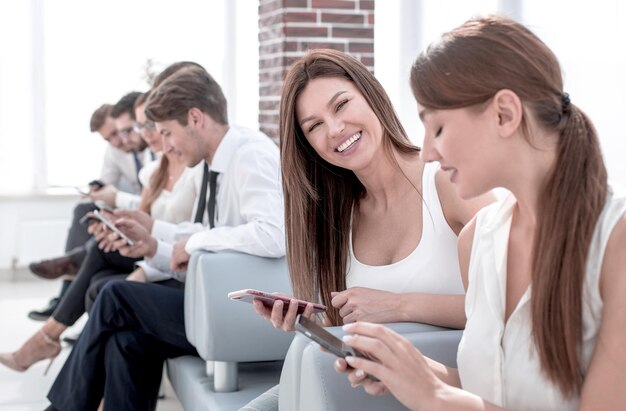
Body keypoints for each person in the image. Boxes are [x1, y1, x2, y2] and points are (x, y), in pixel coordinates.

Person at [335, 15, 626, 410]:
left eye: (437, 128)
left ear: (504, 114)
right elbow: (491, 390)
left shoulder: (615, 242)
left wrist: (436, 398)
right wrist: (411, 370)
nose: (427, 153)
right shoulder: (478, 240)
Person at [240, 48, 493, 410]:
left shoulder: (448, 180)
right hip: (355, 388)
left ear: (371, 95)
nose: (335, 129)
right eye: (314, 126)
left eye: (341, 105)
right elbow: (353, 327)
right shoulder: (338, 216)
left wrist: (400, 306)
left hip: (437, 386)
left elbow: (512, 308)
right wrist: (312, 324)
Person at [40, 63, 284, 411]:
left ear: (196, 118)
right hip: (215, 299)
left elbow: (271, 235)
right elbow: (213, 234)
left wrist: (191, 244)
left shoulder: (250, 155)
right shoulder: (214, 163)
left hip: (244, 313)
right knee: (127, 340)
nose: (165, 147)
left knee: (115, 296)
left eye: (168, 133)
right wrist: (154, 237)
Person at [0, 91, 197, 374]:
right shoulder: (154, 163)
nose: (130, 138)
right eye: (138, 128)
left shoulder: (181, 162)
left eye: (140, 128)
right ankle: (65, 300)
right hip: (153, 242)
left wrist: (139, 243)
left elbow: (165, 222)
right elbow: (143, 209)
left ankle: (52, 326)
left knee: (100, 257)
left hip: (165, 252)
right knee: (90, 226)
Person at [27, 95, 153, 320]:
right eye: (110, 137)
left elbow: (147, 203)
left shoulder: (154, 147)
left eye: (119, 133)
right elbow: (108, 187)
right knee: (84, 211)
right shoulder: (118, 150)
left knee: (97, 247)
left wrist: (114, 201)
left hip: (142, 217)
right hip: (129, 208)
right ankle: (65, 293)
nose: (118, 141)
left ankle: (71, 274)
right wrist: (100, 204)